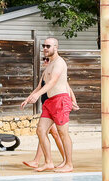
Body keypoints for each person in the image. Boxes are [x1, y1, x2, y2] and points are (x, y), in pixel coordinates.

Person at [20, 37, 76, 172]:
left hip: (60, 100)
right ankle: (48, 162)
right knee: (40, 130)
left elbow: (53, 82)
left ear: (55, 47)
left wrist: (37, 96)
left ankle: (69, 164)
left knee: (62, 133)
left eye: (48, 46)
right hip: (49, 102)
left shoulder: (59, 63)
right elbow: (40, 86)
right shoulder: (49, 65)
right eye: (44, 46)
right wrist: (28, 98)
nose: (45, 48)